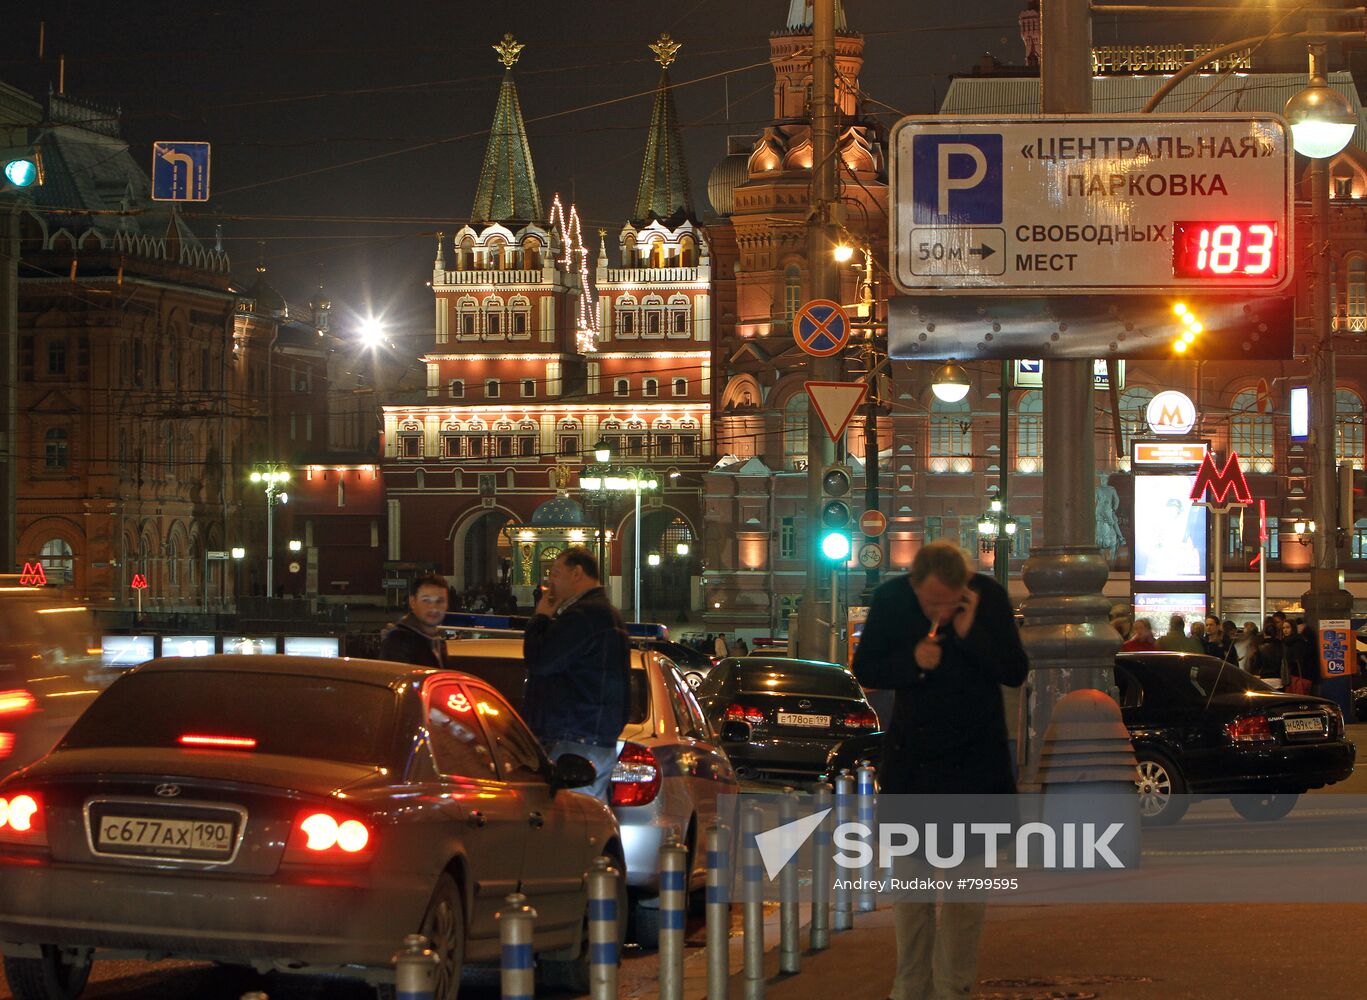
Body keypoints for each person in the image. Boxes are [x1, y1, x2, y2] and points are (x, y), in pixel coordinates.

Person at [852, 541, 1028, 1000]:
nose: (942, 610)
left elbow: (1014, 670)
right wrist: (912, 661)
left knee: (966, 898)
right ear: (915, 587)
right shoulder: (893, 600)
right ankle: (910, 986)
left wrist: (971, 634)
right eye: (932, 602)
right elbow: (865, 665)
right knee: (912, 895)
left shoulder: (987, 598)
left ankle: (954, 987)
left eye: (950, 602)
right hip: (915, 767)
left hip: (976, 769)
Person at [522, 547, 631, 802]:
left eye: (556, 573)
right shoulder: (606, 615)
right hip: (593, 738)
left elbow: (540, 662)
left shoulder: (584, 615)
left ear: (577, 572)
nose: (550, 581)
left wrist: (540, 618)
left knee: (571, 825)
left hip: (574, 741)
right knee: (589, 826)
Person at [378, 574, 450, 668]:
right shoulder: (398, 642)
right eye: (426, 600)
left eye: (440, 601)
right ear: (412, 602)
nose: (434, 608)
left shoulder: (438, 642)